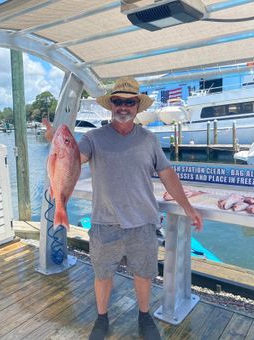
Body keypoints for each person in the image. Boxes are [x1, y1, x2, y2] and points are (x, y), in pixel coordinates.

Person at [77, 77, 203, 340]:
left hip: (144, 223)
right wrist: (58, 145)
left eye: (129, 102)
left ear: (137, 106)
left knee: (144, 274)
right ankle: (102, 318)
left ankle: (144, 316)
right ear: (111, 104)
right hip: (104, 223)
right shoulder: (92, 138)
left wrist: (188, 207)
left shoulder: (149, 140)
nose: (123, 107)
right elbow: (72, 161)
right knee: (103, 275)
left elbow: (167, 174)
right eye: (118, 101)